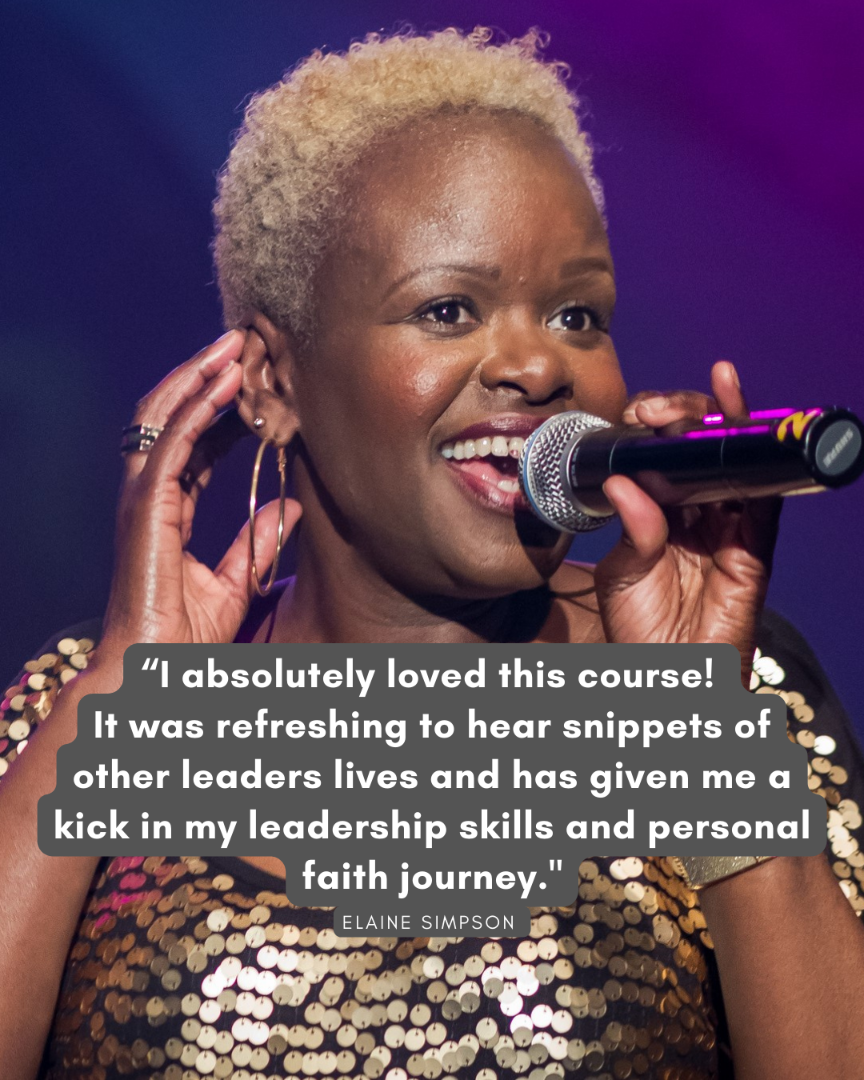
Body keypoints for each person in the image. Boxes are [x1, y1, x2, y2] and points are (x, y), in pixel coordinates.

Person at [2, 27, 863, 1080]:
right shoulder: (89, 708)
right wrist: (121, 699)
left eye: (578, 314)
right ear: (272, 382)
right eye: (448, 308)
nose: (538, 364)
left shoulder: (725, 692)